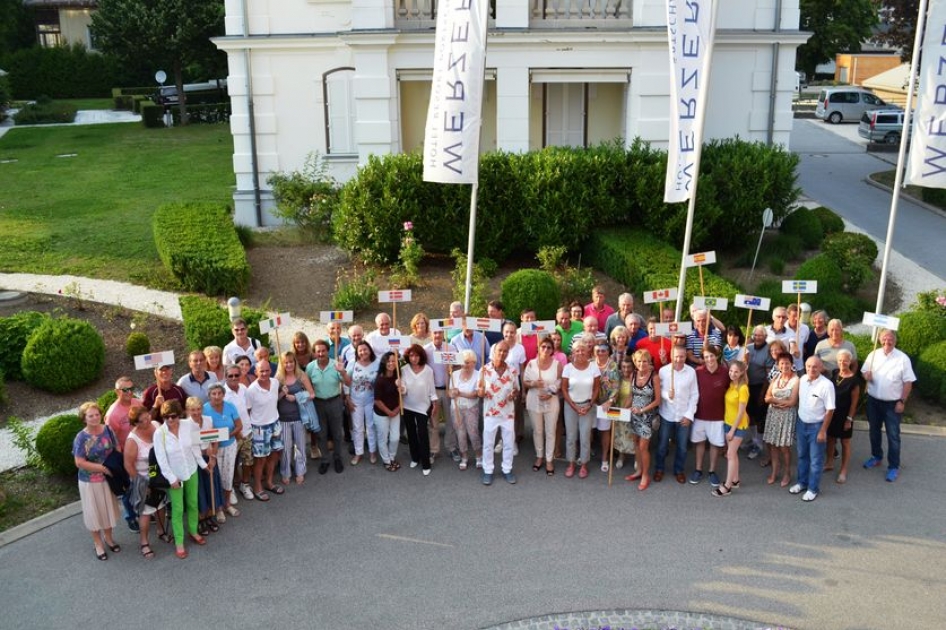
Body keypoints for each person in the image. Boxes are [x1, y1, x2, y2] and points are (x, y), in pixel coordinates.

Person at [152, 399, 208, 559]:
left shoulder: (188, 425)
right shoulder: (159, 433)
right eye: (166, 417)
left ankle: (193, 531)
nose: (170, 420)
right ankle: (179, 541)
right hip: (174, 477)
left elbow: (195, 447)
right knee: (177, 510)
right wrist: (171, 479)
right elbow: (161, 459)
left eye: (173, 416)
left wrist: (203, 465)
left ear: (180, 414)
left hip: (191, 471)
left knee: (192, 503)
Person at [861, 329, 916, 482]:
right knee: (874, 431)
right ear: (880, 340)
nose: (887, 341)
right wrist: (866, 375)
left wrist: (902, 401)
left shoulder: (902, 358)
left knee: (893, 435)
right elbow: (864, 371)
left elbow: (908, 382)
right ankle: (876, 456)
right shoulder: (873, 354)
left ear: (895, 341)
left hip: (893, 404)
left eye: (890, 338)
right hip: (873, 401)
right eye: (884, 338)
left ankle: (893, 466)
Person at [73, 401, 122, 561]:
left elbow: (117, 448)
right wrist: (102, 468)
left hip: (108, 479)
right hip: (89, 481)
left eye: (96, 414)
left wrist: (114, 465)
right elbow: (79, 462)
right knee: (94, 512)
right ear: (84, 418)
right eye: (90, 416)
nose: (94, 418)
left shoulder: (107, 429)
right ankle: (98, 543)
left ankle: (108, 539)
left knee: (107, 510)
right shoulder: (81, 437)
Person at [123, 405, 168, 559]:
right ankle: (144, 542)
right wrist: (142, 484)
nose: (147, 421)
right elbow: (128, 465)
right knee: (146, 512)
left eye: (148, 416)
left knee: (161, 505)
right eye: (142, 420)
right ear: (135, 423)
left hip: (159, 475)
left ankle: (161, 531)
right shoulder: (132, 440)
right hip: (143, 479)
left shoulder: (155, 425)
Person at [789, 357, 835, 502]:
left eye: (815, 367)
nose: (811, 369)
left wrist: (822, 431)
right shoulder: (802, 379)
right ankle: (802, 483)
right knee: (802, 455)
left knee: (816, 460)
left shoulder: (826, 385)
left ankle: (813, 488)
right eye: (808, 366)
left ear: (821, 368)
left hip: (817, 426)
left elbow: (830, 410)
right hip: (802, 423)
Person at [306, 339, 352, 474]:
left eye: (323, 350)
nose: (321, 353)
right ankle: (325, 460)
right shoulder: (310, 367)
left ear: (328, 351)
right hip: (318, 403)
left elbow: (348, 383)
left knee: (337, 433)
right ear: (314, 353)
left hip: (335, 401)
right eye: (318, 351)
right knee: (321, 434)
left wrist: (343, 372)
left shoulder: (336, 365)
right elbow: (307, 384)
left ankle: (338, 458)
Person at [477, 340, 520, 485]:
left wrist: (513, 394)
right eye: (500, 350)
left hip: (507, 413)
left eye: (505, 351)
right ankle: (488, 470)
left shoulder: (513, 370)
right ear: (494, 352)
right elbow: (479, 391)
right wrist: (481, 392)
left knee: (508, 443)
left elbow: (516, 389)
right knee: (488, 443)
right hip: (490, 412)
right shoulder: (484, 370)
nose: (502, 353)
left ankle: (507, 469)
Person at [655, 346, 698, 483]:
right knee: (662, 445)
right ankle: (659, 468)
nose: (679, 359)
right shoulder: (663, 371)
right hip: (667, 414)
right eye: (676, 356)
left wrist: (689, 415)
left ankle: (679, 470)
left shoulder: (691, 372)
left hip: (683, 415)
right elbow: (659, 392)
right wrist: (667, 395)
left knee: (682, 447)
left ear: (686, 357)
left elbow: (694, 395)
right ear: (671, 356)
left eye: (682, 356)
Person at [105, 375, 142, 531]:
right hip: (125, 455)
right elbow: (111, 441)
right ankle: (131, 517)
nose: (129, 392)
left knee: (143, 481)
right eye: (124, 390)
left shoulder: (137, 402)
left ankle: (145, 509)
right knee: (129, 487)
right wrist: (122, 460)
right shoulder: (113, 415)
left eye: (131, 389)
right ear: (117, 392)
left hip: (141, 451)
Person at [690, 345, 729, 488]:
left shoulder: (725, 373)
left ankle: (712, 471)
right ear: (703, 359)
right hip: (700, 414)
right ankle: (698, 469)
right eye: (706, 357)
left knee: (715, 444)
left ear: (717, 356)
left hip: (718, 416)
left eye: (711, 356)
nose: (709, 359)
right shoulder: (698, 372)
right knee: (699, 443)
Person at [561, 339, 601, 479]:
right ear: (573, 353)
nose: (580, 352)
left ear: (588, 352)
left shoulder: (593, 367)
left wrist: (590, 405)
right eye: (577, 350)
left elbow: (597, 388)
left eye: (583, 350)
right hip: (571, 406)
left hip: (587, 406)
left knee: (585, 437)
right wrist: (574, 406)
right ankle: (571, 463)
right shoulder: (568, 368)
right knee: (571, 437)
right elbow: (564, 390)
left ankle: (584, 464)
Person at [245, 361, 284, 500]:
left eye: (267, 370)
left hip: (275, 423)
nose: (265, 374)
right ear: (255, 372)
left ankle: (269, 482)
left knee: (274, 455)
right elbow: (247, 411)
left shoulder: (275, 383)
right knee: (260, 459)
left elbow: (274, 400)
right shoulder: (251, 390)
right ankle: (257, 487)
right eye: (261, 371)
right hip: (259, 427)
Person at [622, 350, 661, 491]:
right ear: (635, 362)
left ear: (649, 362)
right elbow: (631, 396)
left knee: (644, 447)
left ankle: (645, 475)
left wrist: (642, 410)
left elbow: (658, 401)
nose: (641, 364)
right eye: (639, 361)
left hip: (648, 417)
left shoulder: (654, 377)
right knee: (636, 444)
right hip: (634, 416)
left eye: (644, 361)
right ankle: (638, 471)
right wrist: (623, 409)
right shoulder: (633, 375)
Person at [275, 351, 315, 484]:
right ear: (282, 364)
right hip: (283, 418)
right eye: (286, 362)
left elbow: (311, 394)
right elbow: (272, 400)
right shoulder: (278, 379)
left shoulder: (301, 375)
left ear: (295, 362)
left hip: (299, 417)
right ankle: (285, 472)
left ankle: (300, 470)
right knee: (286, 448)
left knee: (300, 446)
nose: (289, 364)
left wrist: (297, 397)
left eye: (291, 361)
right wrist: (282, 393)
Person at [398, 343, 439, 475]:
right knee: (411, 433)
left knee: (422, 433)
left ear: (421, 356)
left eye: (416, 355)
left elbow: (432, 390)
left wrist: (435, 404)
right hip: (407, 406)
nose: (414, 358)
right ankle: (415, 457)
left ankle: (426, 463)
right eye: (411, 355)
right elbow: (403, 390)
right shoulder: (403, 369)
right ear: (407, 357)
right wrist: (400, 388)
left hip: (422, 406)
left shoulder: (428, 370)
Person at [523, 338, 562, 475]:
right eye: (543, 346)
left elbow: (560, 382)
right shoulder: (531, 364)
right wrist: (534, 383)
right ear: (538, 348)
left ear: (553, 350)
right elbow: (525, 381)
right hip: (534, 400)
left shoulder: (557, 364)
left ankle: (549, 459)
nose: (546, 350)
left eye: (549, 347)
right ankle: (539, 456)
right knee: (538, 431)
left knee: (550, 431)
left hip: (551, 400)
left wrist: (550, 393)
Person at [184, 396, 222, 536]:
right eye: (193, 410)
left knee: (210, 488)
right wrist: (204, 465)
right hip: (196, 461)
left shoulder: (208, 420)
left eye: (198, 409)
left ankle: (210, 516)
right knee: (199, 490)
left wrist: (213, 458)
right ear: (188, 410)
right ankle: (200, 518)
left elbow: (214, 439)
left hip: (209, 458)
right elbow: (192, 448)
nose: (196, 413)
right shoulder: (186, 425)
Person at [203, 383, 242, 518]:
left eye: (219, 393)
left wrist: (228, 435)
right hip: (213, 448)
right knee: (215, 478)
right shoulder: (204, 409)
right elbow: (202, 431)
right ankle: (218, 508)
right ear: (209, 396)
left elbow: (239, 426)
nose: (217, 396)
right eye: (214, 394)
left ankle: (227, 504)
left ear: (223, 395)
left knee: (228, 475)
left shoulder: (230, 407)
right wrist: (214, 440)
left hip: (230, 446)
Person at [713, 360, 750, 497]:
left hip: (738, 426)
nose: (732, 374)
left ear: (741, 373)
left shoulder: (743, 388)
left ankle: (727, 486)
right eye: (731, 371)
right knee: (732, 454)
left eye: (736, 371)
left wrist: (732, 430)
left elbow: (741, 412)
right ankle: (735, 480)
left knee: (730, 454)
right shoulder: (731, 385)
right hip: (728, 422)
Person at [762, 353, 799, 488]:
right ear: (778, 365)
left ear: (791, 364)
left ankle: (787, 472)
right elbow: (766, 397)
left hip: (786, 416)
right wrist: (777, 401)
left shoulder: (796, 380)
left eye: (787, 363)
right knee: (773, 445)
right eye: (781, 363)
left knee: (784, 447)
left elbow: (792, 402)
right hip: (773, 415)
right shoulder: (776, 377)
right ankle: (775, 471)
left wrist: (774, 400)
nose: (784, 366)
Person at [827, 349, 862, 485]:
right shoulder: (835, 373)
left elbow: (854, 403)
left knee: (845, 442)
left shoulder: (854, 380)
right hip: (832, 414)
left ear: (850, 361)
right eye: (840, 360)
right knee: (830, 439)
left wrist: (849, 419)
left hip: (845, 415)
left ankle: (843, 470)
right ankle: (829, 462)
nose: (843, 363)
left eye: (845, 360)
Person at [223, 363, 255, 501]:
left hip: (247, 431)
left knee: (248, 461)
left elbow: (248, 409)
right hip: (232, 435)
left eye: (237, 375)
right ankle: (230, 489)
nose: (234, 378)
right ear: (226, 377)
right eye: (231, 375)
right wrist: (236, 432)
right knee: (232, 463)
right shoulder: (222, 394)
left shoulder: (243, 388)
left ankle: (245, 484)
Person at [425, 329, 457, 462]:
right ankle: (434, 450)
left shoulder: (451, 348)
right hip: (434, 391)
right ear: (430, 334)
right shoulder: (426, 350)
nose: (437, 335)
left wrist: (452, 368)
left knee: (451, 421)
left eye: (440, 333)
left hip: (449, 389)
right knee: (433, 422)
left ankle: (451, 447)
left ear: (444, 334)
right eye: (435, 333)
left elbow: (458, 367)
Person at [347, 341, 380, 465]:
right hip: (355, 401)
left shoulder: (377, 364)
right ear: (357, 352)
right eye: (360, 350)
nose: (363, 352)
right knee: (358, 428)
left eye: (365, 349)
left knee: (371, 426)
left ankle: (372, 451)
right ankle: (358, 452)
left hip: (371, 400)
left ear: (370, 350)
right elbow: (346, 381)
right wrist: (347, 398)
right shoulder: (352, 363)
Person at [593, 340, 620, 473]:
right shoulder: (591, 364)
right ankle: (588, 453)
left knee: (605, 431)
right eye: (597, 350)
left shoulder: (613, 366)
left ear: (608, 351)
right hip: (592, 402)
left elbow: (616, 386)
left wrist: (609, 401)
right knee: (590, 429)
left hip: (605, 404)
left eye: (603, 350)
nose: (600, 353)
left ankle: (604, 458)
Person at [373, 351, 402, 471]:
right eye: (389, 361)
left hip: (395, 412)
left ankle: (392, 457)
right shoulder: (379, 380)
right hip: (381, 413)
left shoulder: (399, 377)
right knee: (383, 438)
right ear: (384, 363)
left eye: (393, 360)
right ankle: (386, 460)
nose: (391, 363)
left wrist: (396, 410)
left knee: (395, 437)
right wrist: (389, 412)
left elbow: (402, 396)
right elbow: (377, 401)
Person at [786, 303, 810, 373]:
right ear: (788, 315)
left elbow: (805, 345)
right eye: (794, 316)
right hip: (785, 367)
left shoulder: (805, 328)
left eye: (798, 316)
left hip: (800, 366)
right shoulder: (783, 328)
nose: (796, 318)